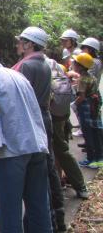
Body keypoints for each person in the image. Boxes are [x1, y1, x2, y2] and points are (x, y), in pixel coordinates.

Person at [0, 42, 52, 233]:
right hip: (37, 146)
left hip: (11, 150)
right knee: (39, 208)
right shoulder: (18, 74)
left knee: (8, 212)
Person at [13, 27, 67, 231]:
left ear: (30, 44)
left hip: (30, 119)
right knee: (47, 167)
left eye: (21, 41)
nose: (18, 44)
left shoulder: (26, 66)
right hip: (44, 117)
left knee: (36, 172)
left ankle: (46, 222)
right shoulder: (44, 63)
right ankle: (57, 217)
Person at [46, 57, 89, 200]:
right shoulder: (59, 70)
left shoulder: (39, 70)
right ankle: (65, 183)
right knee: (61, 151)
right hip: (63, 116)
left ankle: (67, 185)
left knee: (57, 150)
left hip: (53, 117)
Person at [72, 53, 103, 169]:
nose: (73, 64)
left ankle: (90, 159)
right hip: (94, 106)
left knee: (88, 133)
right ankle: (99, 158)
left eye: (75, 62)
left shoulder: (82, 79)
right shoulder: (92, 77)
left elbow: (81, 97)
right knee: (96, 133)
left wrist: (74, 104)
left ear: (80, 66)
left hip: (86, 108)